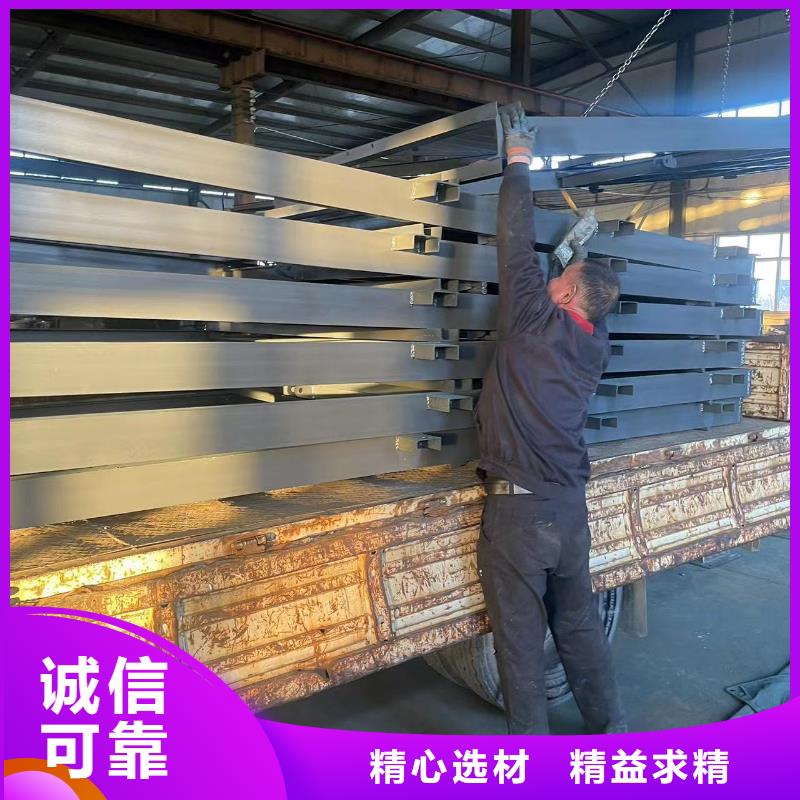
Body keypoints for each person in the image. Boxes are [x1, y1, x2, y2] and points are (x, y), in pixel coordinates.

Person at [474, 103, 626, 735]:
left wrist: (518, 160)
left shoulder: (532, 320)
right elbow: (586, 292)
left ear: (561, 295)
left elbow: (515, 241)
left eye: (558, 277)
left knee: (519, 641)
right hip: (568, 510)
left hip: (519, 514)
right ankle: (610, 731)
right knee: (578, 624)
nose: (548, 279)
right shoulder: (593, 346)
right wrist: (575, 257)